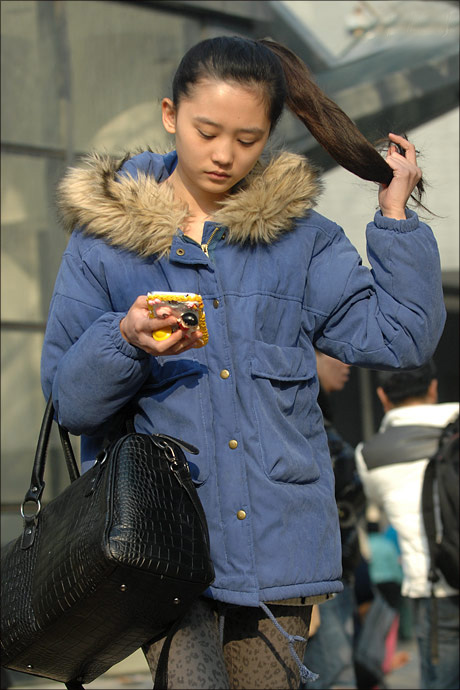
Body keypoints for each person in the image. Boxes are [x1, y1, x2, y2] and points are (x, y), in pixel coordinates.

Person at [41, 35, 446, 689]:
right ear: (170, 114)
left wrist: (395, 217)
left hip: (280, 549)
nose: (225, 154)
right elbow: (72, 401)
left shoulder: (302, 239)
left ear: (269, 135)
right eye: (207, 131)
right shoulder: (105, 244)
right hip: (163, 547)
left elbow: (401, 338)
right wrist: (125, 338)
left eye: (248, 138)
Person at [355, 362, 459, 690]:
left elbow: (374, 504)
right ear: (433, 387)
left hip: (435, 586)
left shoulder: (369, 455)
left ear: (382, 396)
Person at [302, 352, 366, 689]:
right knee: (334, 675)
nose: (347, 364)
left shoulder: (317, 418)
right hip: (321, 585)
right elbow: (301, 508)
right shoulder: (301, 424)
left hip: (338, 580)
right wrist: (309, 596)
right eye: (334, 354)